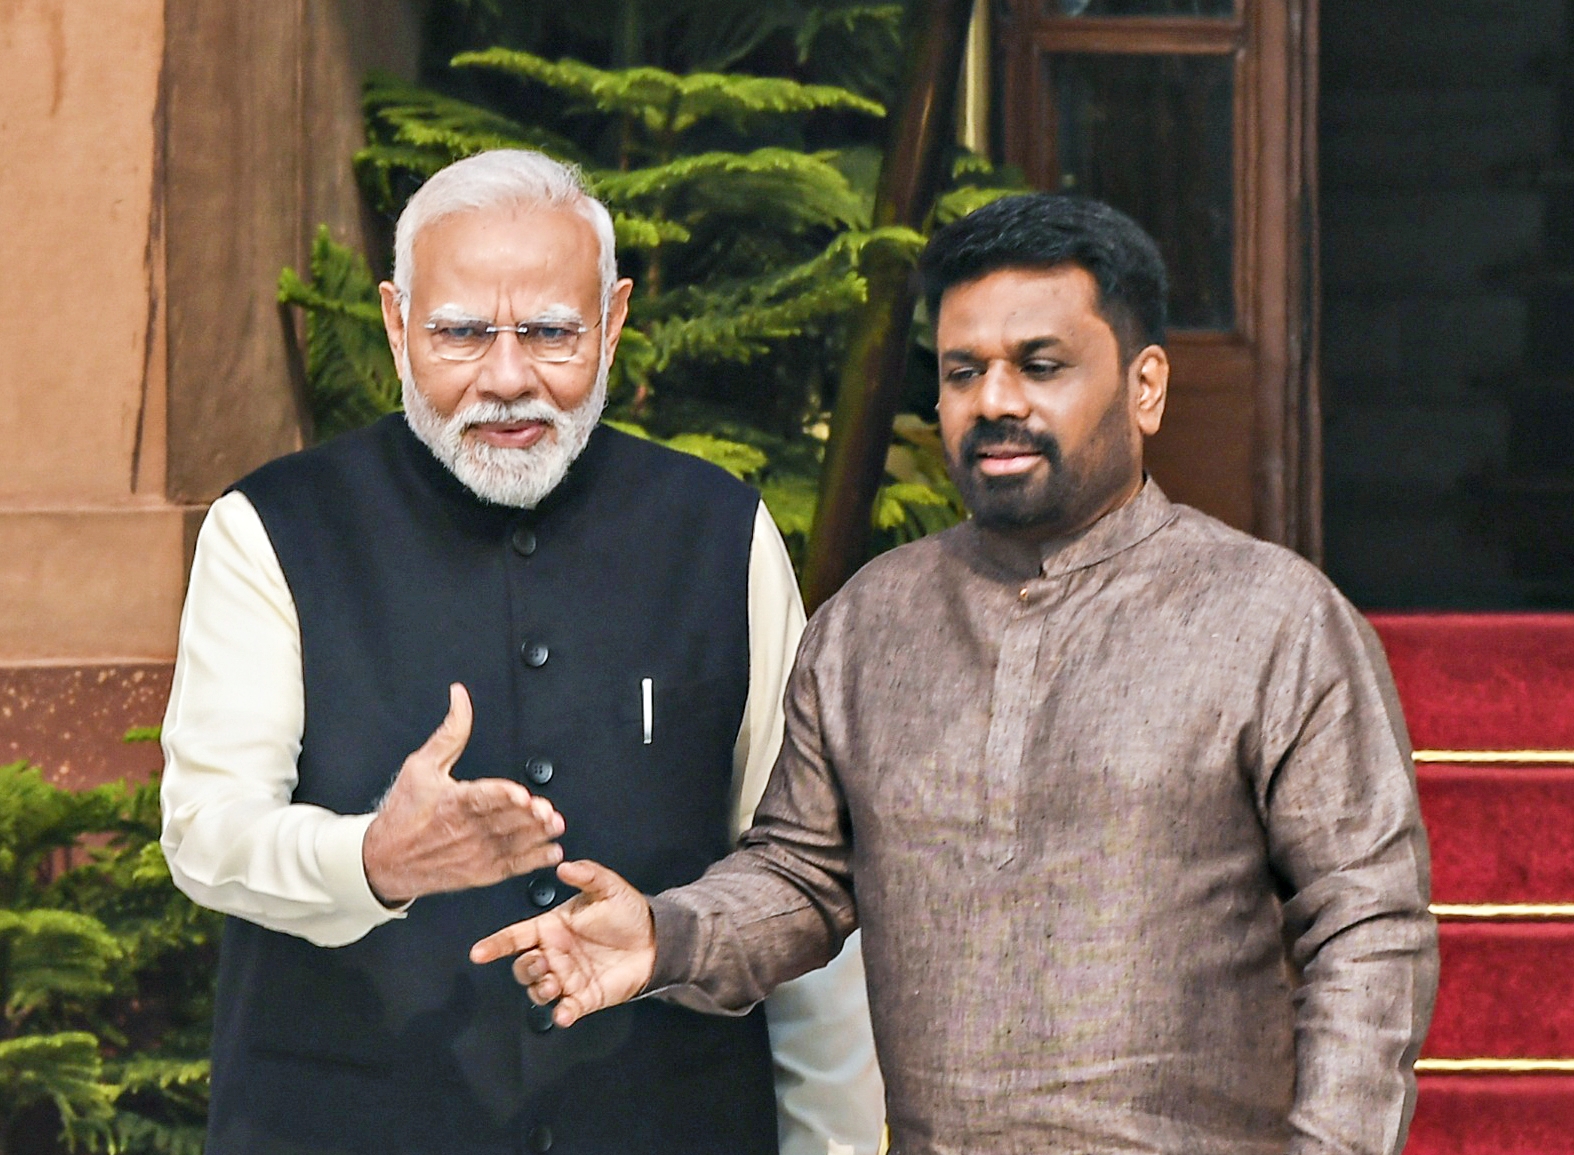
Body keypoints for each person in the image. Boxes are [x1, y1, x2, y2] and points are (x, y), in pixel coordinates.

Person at [471, 193, 1441, 1155]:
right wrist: (665, 938)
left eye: (1039, 365)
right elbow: (804, 877)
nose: (994, 402)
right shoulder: (867, 624)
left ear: (1144, 386)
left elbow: (1366, 925)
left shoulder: (1273, 618)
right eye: (960, 371)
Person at [159, 149, 884, 1155]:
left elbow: (798, 878)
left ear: (614, 320)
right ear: (394, 321)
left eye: (549, 332)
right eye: (459, 333)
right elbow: (207, 833)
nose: (507, 379)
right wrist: (369, 859)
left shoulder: (718, 531)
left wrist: (833, 1143)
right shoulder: (273, 528)